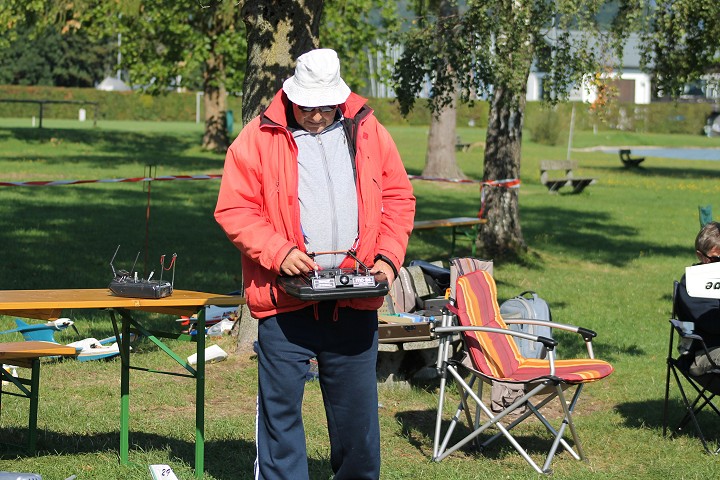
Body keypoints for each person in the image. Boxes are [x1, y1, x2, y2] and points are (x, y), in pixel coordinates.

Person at [214, 48, 415, 480]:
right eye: (309, 107)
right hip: (286, 303)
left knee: (359, 430)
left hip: (356, 302)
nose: (318, 116)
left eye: (326, 107)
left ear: (339, 99)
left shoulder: (368, 130)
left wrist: (387, 259)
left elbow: (399, 198)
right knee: (280, 421)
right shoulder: (257, 136)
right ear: (292, 94)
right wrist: (279, 252)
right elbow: (234, 209)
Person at [676, 221, 720, 376]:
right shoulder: (692, 283)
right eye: (716, 259)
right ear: (700, 255)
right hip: (704, 354)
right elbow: (713, 324)